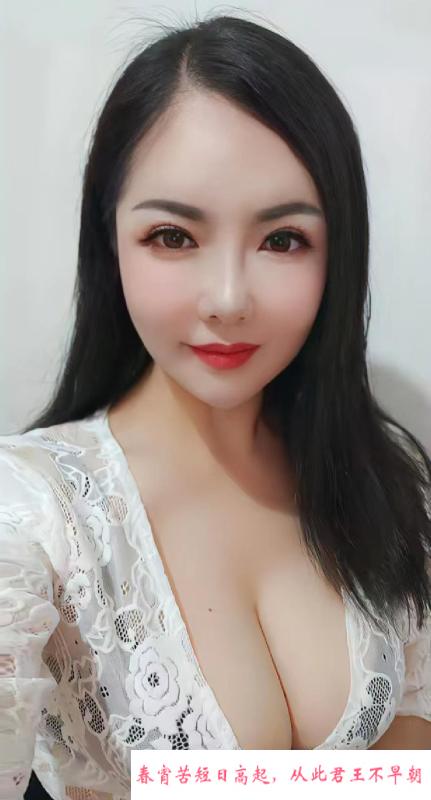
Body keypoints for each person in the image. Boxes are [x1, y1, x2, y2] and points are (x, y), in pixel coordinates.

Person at [1, 11, 431, 800]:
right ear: (110, 242)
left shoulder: (385, 470)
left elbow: (409, 755)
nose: (228, 299)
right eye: (173, 236)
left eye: (281, 240)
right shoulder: (28, 512)